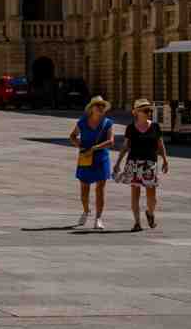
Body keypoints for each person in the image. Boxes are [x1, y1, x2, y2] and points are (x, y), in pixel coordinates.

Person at [115, 99, 168, 231]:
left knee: (152, 197)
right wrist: (118, 163)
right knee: (135, 194)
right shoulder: (131, 128)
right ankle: (137, 222)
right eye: (146, 110)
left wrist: (165, 160)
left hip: (150, 164)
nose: (149, 112)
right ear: (137, 112)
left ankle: (150, 213)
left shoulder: (155, 127)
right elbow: (125, 146)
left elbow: (160, 145)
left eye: (150, 110)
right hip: (134, 163)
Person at [70, 96, 117, 230]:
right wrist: (79, 145)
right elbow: (72, 136)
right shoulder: (82, 122)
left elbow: (111, 141)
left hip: (101, 157)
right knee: (84, 189)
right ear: (91, 108)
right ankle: (86, 211)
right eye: (98, 105)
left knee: (100, 189)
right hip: (86, 158)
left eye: (102, 106)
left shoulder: (107, 123)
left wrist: (94, 148)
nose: (101, 108)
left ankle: (98, 218)